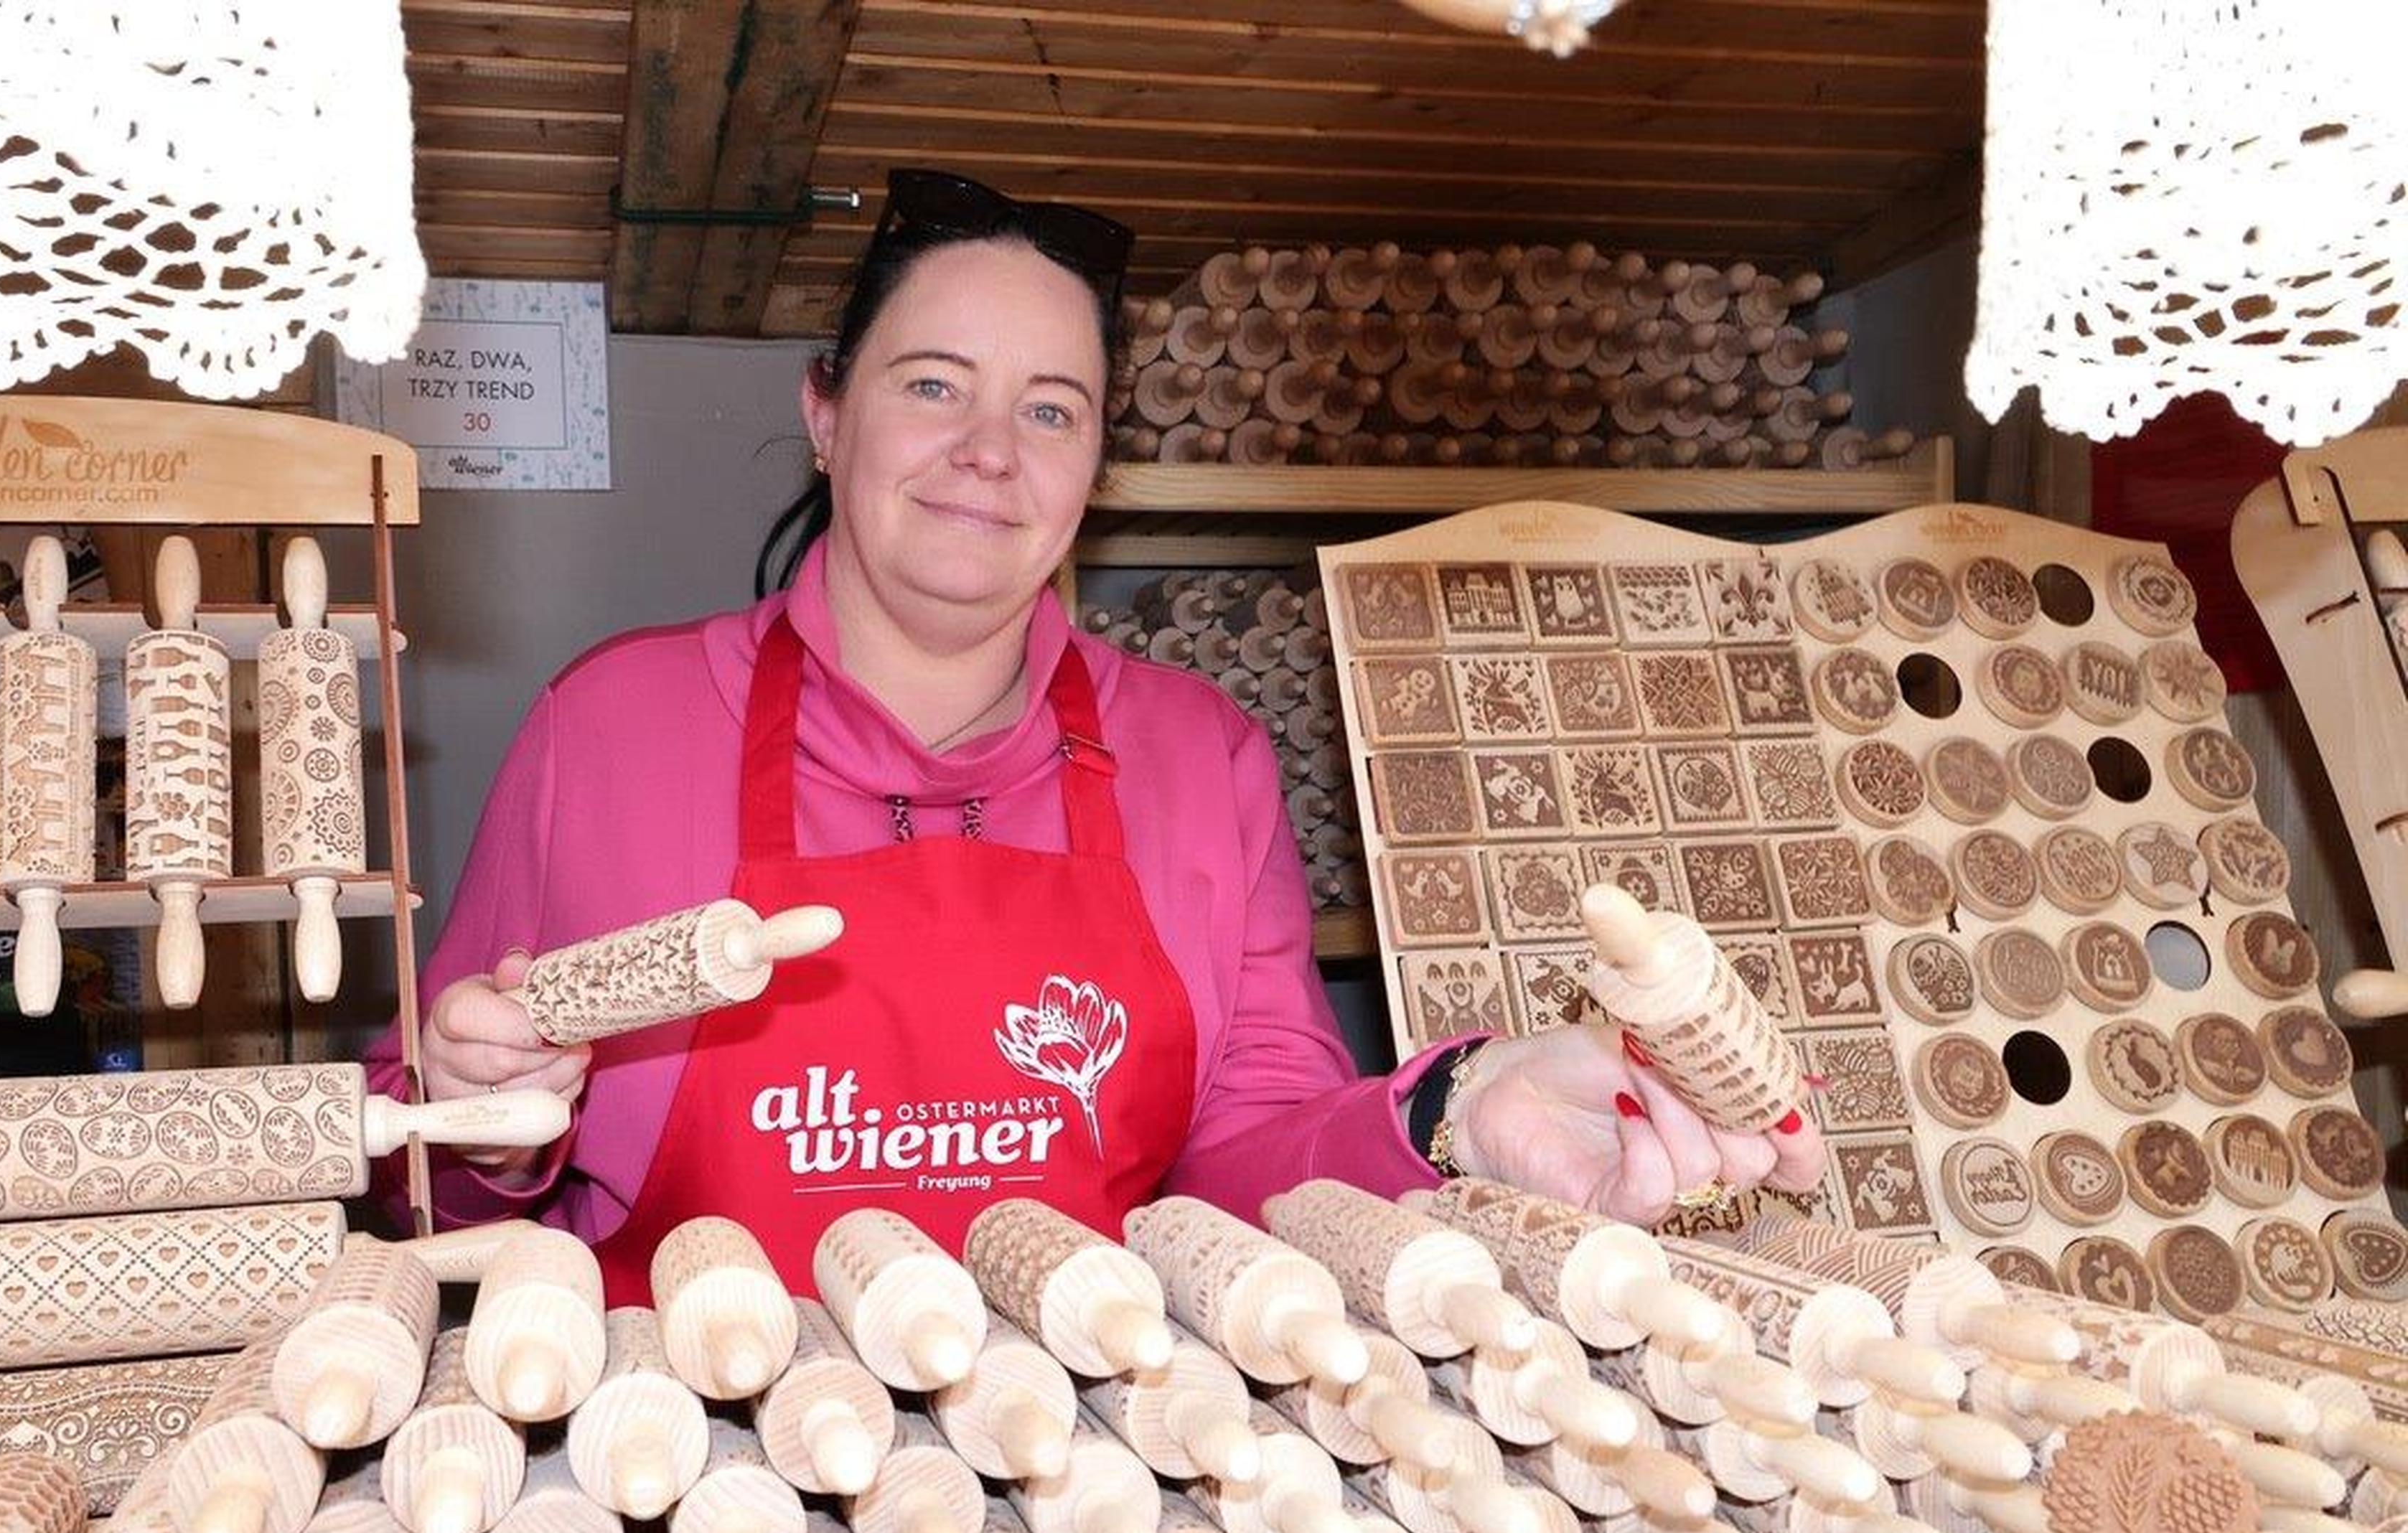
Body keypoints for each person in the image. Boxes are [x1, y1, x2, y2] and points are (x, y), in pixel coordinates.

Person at [373, 169, 1825, 1305]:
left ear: (1094, 469)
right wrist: (489, 1131)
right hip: (685, 1497)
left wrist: (1454, 1104)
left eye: (1050, 410)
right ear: (827, 413)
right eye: (931, 383)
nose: (988, 450)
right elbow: (411, 1176)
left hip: (1087, 1495)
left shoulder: (1203, 762)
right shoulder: (611, 730)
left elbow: (1250, 1171)